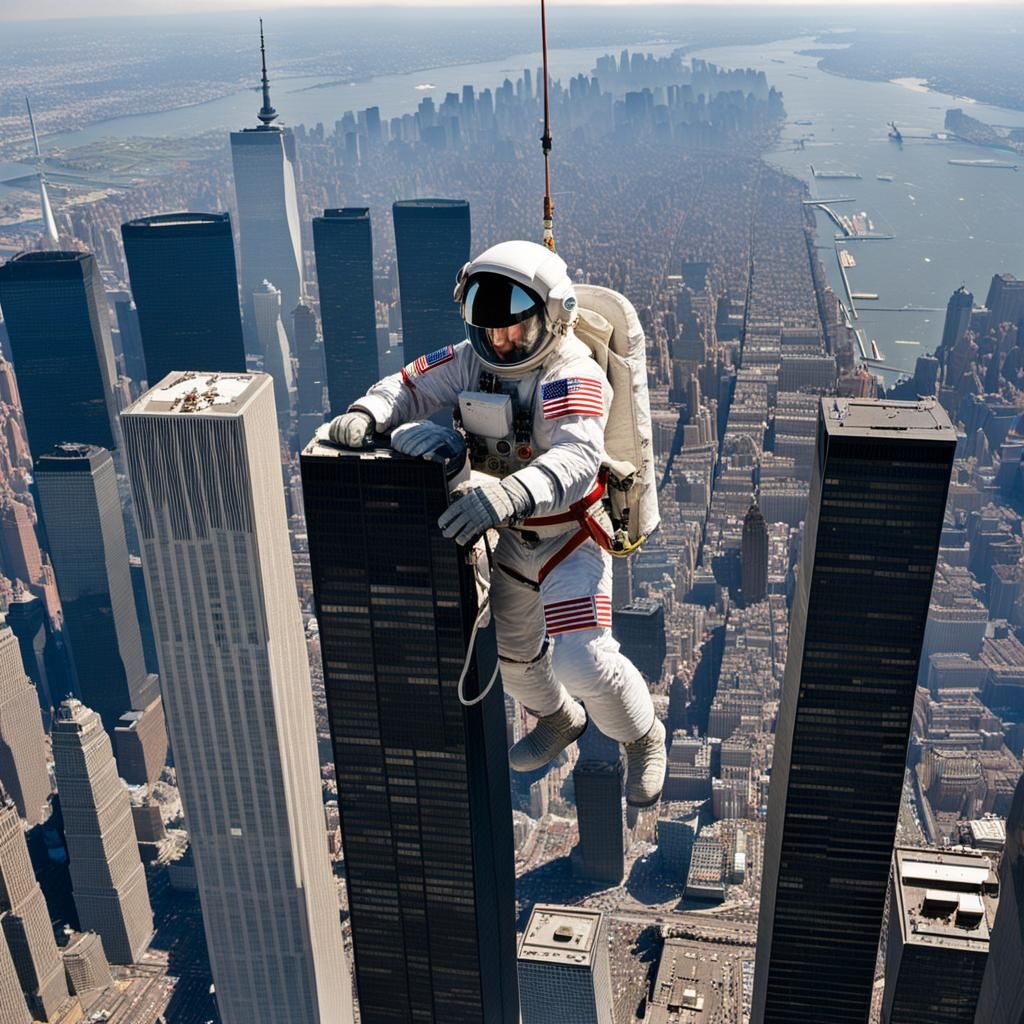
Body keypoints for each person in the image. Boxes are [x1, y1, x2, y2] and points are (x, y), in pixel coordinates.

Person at [329, 240, 666, 806]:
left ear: (553, 319)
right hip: (513, 536)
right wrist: (370, 412)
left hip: (571, 537)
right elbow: (413, 385)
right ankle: (559, 720)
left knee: (581, 657)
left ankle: (642, 735)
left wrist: (507, 495)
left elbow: (578, 457)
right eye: (490, 329)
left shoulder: (570, 373)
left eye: (516, 329)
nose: (501, 340)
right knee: (513, 658)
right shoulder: (473, 358)